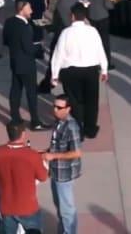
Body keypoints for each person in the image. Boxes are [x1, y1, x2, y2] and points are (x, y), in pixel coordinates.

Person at [51, 3, 108, 139]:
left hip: (71, 71)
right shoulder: (92, 31)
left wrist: (55, 74)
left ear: (72, 16)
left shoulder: (66, 33)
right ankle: (90, 129)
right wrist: (104, 69)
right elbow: (100, 50)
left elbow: (58, 55)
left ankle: (78, 130)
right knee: (91, 100)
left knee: (74, 101)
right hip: (90, 70)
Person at [0, 121, 48, 234]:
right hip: (28, 207)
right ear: (23, 134)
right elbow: (43, 177)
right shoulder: (32, 155)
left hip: (7, 206)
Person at [3, 1, 48, 130]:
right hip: (26, 64)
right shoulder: (24, 27)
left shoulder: (9, 22)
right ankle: (35, 122)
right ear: (22, 9)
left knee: (16, 89)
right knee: (31, 92)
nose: (31, 11)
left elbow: (6, 40)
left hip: (15, 61)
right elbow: (29, 48)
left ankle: (15, 118)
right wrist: (39, 47)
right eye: (29, 8)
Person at [43, 95, 82, 234]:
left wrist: (53, 156)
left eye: (59, 107)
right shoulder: (58, 122)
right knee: (60, 207)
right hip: (55, 171)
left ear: (68, 109)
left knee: (67, 210)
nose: (55, 109)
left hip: (64, 174)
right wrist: (46, 152)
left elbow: (77, 152)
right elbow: (57, 145)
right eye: (54, 106)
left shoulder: (71, 126)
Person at [80, 0, 115, 69]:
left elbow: (85, 2)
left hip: (90, 17)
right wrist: (113, 3)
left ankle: (93, 63)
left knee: (91, 41)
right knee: (104, 41)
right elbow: (108, 6)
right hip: (103, 17)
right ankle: (106, 63)